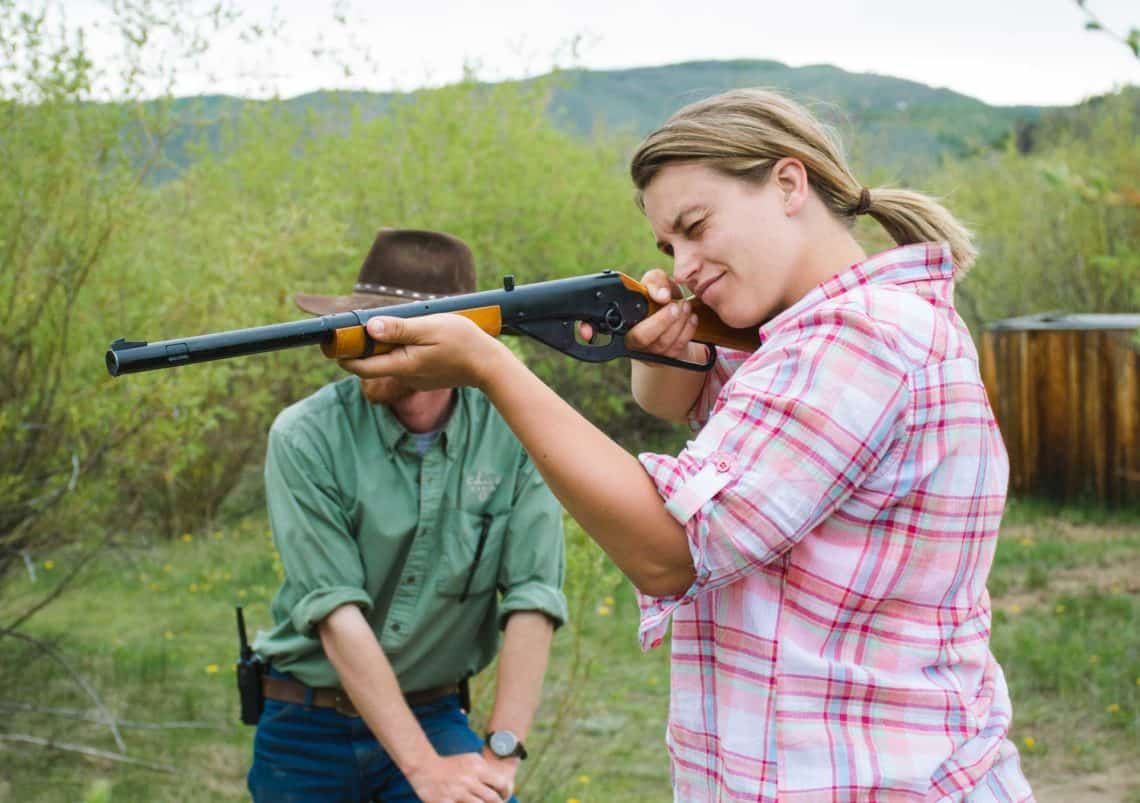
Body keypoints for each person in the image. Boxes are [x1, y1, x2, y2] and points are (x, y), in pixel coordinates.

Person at [338, 88, 1036, 802]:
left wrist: (490, 368)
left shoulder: (855, 338)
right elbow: (673, 405)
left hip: (869, 780)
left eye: (697, 226)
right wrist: (666, 341)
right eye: (669, 245)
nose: (685, 261)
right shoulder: (799, 335)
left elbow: (672, 551)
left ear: (788, 183)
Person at [247, 229, 569, 803]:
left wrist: (499, 754)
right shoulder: (306, 435)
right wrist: (424, 770)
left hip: (435, 712)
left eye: (388, 335)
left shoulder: (517, 432)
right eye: (360, 330)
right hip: (304, 724)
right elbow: (334, 610)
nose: (364, 349)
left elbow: (533, 596)